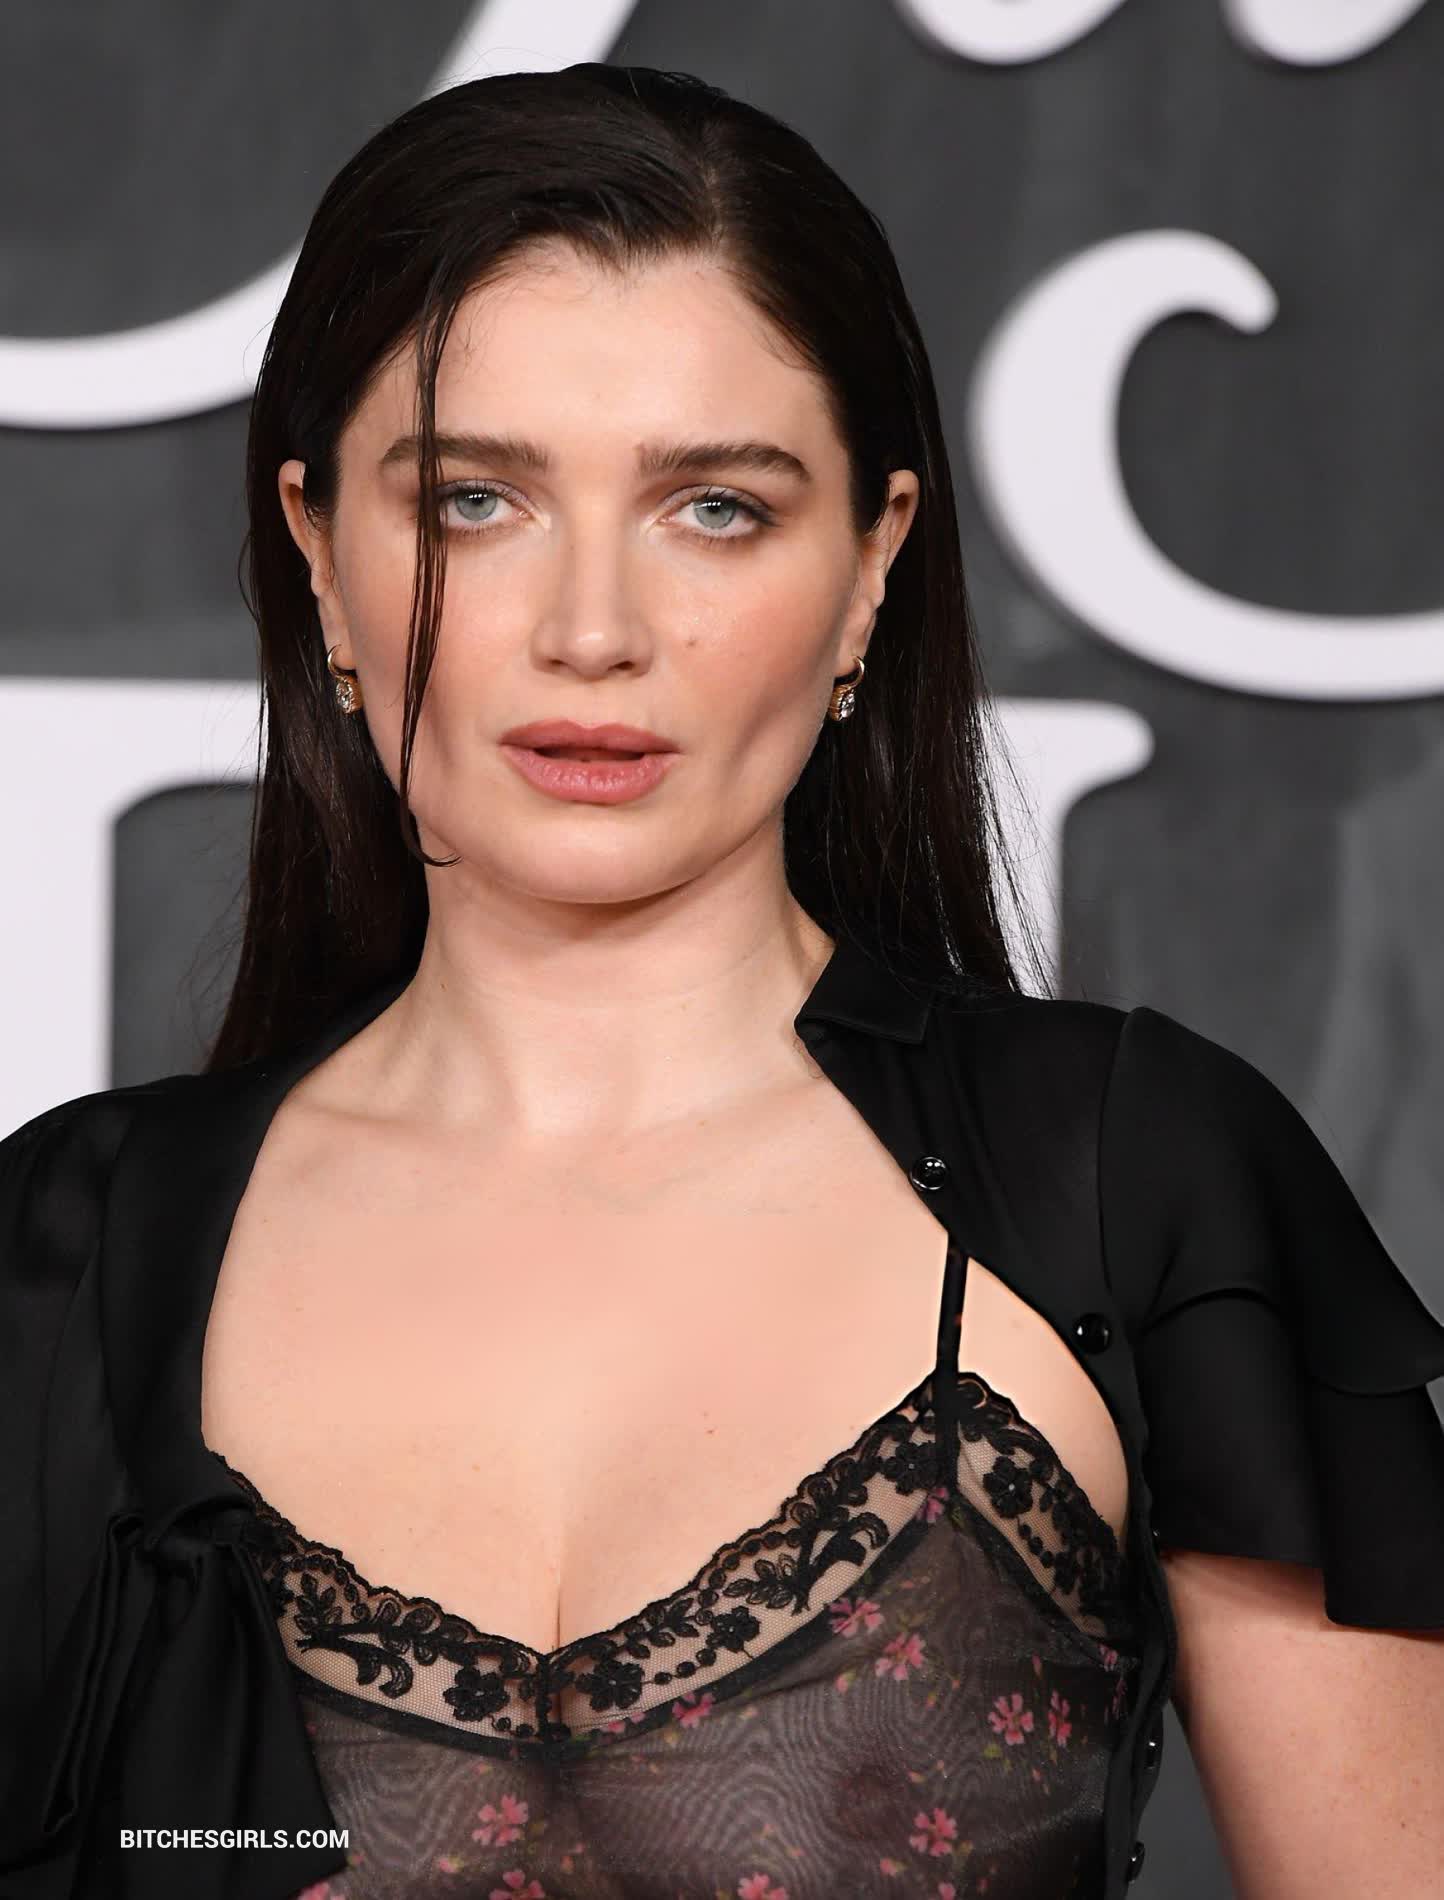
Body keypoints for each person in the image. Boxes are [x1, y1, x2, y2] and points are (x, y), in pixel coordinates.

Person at [1, 61, 1442, 1900]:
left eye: (718, 510)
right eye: (475, 501)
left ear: (871, 566)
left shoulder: (1136, 1181)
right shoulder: (67, 1254)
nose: (594, 631)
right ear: (320, 554)